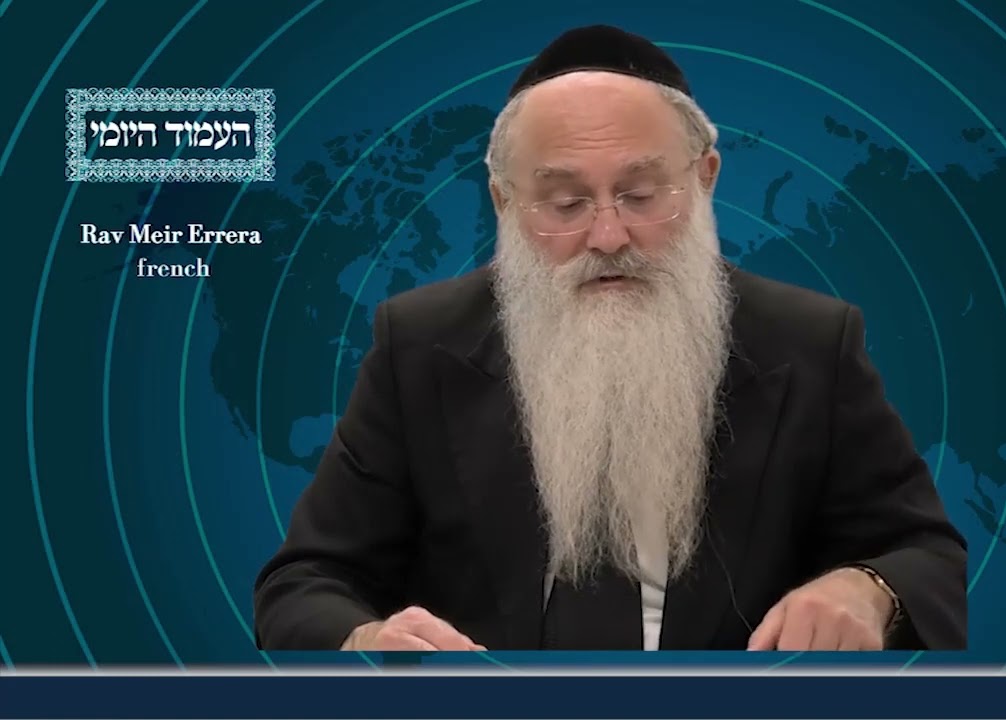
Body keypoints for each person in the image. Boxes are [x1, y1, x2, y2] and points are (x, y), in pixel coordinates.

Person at [253, 24, 967, 652]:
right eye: (565, 203)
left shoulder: (810, 343)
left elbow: (925, 552)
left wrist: (868, 589)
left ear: (706, 178)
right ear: (505, 202)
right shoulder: (418, 344)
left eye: (641, 195)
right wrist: (366, 638)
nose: (607, 235)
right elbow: (306, 581)